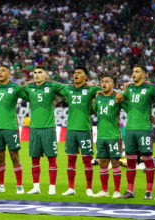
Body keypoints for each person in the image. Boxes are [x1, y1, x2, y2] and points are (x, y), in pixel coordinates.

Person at [23, 65, 66, 195]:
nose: (36, 75)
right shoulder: (29, 87)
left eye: (40, 72)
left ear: (46, 74)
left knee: (51, 159)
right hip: (34, 129)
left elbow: (69, 90)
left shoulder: (52, 86)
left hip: (48, 129)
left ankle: (52, 188)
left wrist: (58, 99)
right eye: (35, 72)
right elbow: (16, 90)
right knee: (34, 159)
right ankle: (36, 187)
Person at [58, 66, 101, 197]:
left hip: (85, 130)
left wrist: (95, 86)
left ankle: (89, 188)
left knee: (87, 160)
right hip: (71, 130)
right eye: (75, 73)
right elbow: (52, 87)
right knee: (70, 160)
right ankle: (71, 188)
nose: (75, 75)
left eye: (79, 73)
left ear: (85, 77)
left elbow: (107, 89)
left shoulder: (90, 89)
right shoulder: (68, 89)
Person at [0, 65, 28, 194]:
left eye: (3, 71)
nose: (0, 72)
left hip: (10, 127)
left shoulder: (15, 87)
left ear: (9, 74)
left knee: (14, 156)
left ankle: (19, 186)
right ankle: (0, 186)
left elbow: (30, 97)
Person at [118, 65, 155, 199]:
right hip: (130, 130)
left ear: (144, 75)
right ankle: (130, 191)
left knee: (147, 160)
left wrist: (154, 115)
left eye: (137, 72)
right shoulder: (129, 88)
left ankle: (149, 191)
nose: (133, 73)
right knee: (130, 161)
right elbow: (120, 99)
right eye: (133, 71)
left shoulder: (151, 88)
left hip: (144, 129)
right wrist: (121, 92)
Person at [92, 74, 122, 198]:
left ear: (113, 84)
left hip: (114, 135)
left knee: (115, 162)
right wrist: (93, 99)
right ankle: (104, 190)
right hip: (101, 136)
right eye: (102, 82)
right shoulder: (98, 98)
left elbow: (128, 107)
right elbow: (92, 110)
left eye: (107, 81)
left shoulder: (117, 97)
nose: (103, 84)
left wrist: (119, 93)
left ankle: (117, 190)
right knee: (103, 163)